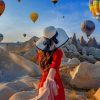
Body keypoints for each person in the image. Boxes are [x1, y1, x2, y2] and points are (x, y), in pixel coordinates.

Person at [33, 26, 69, 100]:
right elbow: (54, 67)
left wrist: (48, 79)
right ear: (57, 38)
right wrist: (50, 78)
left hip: (43, 82)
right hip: (54, 84)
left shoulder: (40, 53)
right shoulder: (58, 52)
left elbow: (51, 67)